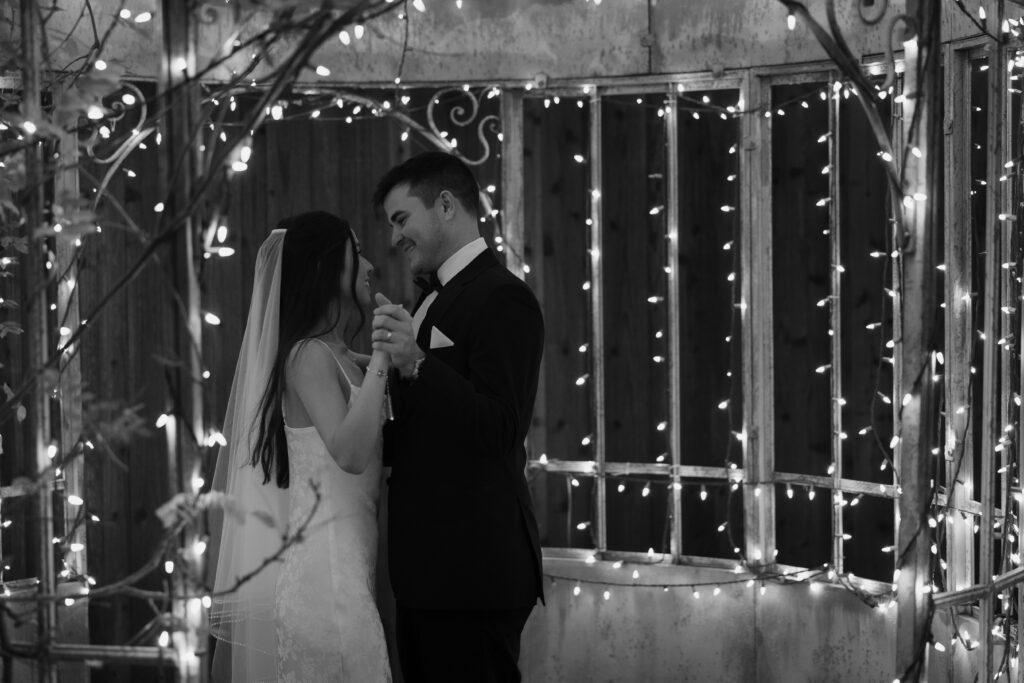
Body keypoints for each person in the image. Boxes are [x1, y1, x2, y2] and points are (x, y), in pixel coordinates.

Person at [370, 152, 545, 682]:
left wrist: (418, 363)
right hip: (426, 575)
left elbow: (500, 428)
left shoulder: (504, 298)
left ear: (446, 204)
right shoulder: (427, 301)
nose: (395, 237)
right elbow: (424, 427)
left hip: (472, 576)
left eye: (402, 219)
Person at [208, 212, 393, 682]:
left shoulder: (340, 358)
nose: (371, 264)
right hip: (325, 586)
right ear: (327, 270)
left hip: (349, 576)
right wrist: (386, 355)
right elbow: (349, 454)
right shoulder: (307, 355)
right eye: (357, 254)